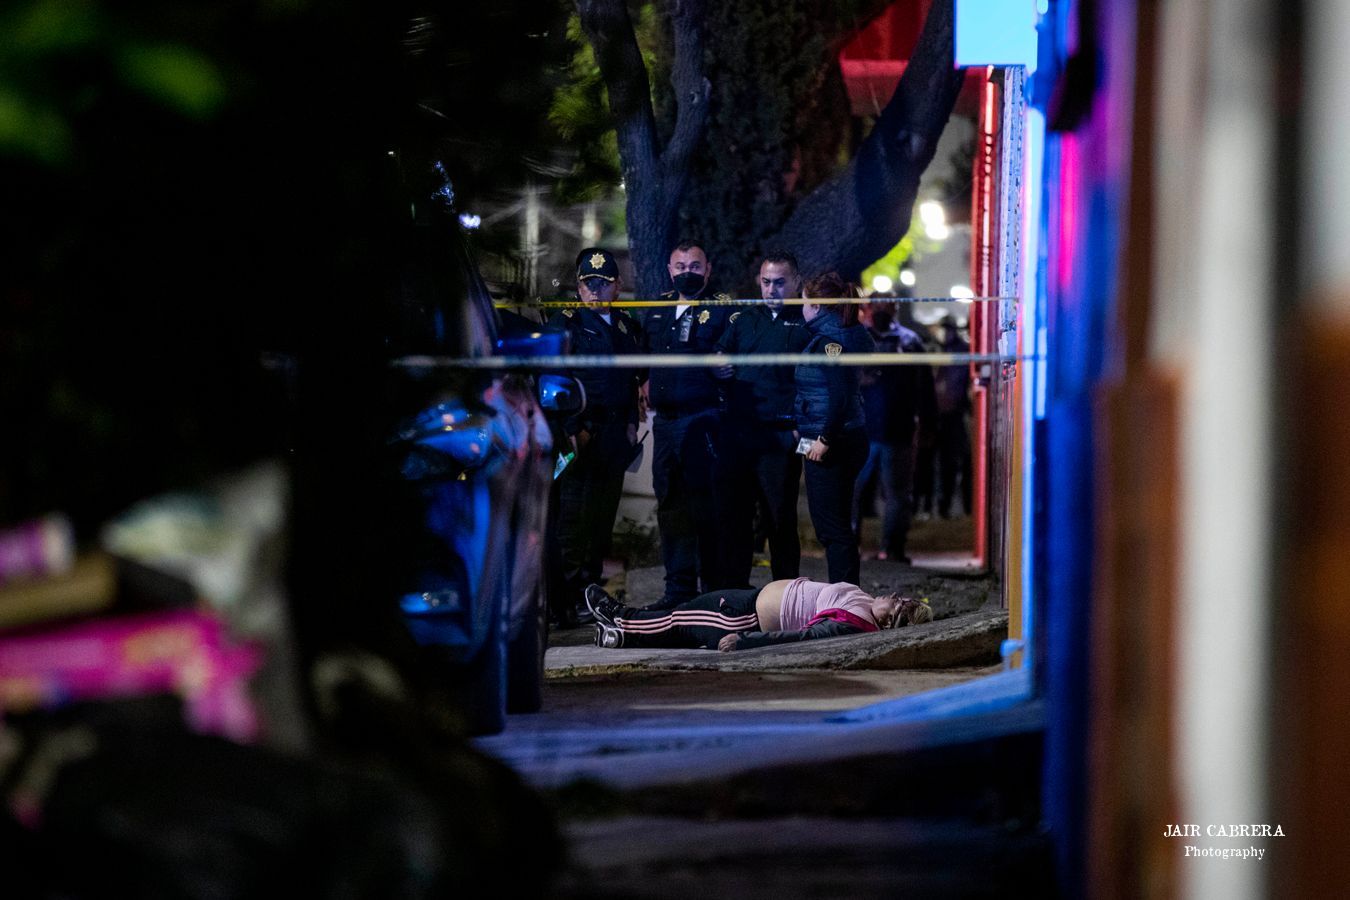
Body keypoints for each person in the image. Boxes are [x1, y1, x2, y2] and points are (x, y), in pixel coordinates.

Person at [545, 248, 644, 627]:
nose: (596, 290)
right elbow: (553, 379)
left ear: (617, 286)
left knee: (601, 523)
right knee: (571, 523)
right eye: (589, 284)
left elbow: (633, 376)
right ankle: (564, 603)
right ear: (579, 287)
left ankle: (588, 596)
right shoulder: (566, 322)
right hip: (580, 435)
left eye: (604, 283)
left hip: (615, 435)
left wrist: (632, 423)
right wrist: (572, 430)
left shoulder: (624, 325)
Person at [639, 240, 735, 608]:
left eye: (695, 266)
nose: (687, 273)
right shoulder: (659, 308)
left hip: (704, 420)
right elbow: (646, 354)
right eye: (680, 266)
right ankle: (677, 590)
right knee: (670, 506)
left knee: (706, 507)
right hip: (665, 424)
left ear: (708, 269)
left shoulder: (721, 308)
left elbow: (732, 358)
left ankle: (711, 590)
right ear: (669, 268)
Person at [715, 250, 813, 584]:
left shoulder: (805, 322)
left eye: (779, 282)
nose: (771, 289)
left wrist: (802, 427)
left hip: (780, 436)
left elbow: (816, 379)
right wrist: (717, 366)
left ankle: (786, 593)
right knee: (736, 517)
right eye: (766, 282)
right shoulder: (744, 319)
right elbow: (717, 354)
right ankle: (735, 593)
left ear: (797, 282)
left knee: (779, 519)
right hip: (740, 435)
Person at [794, 272, 875, 585]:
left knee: (832, 528)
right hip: (838, 436)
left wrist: (824, 439)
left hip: (831, 441)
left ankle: (844, 600)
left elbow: (839, 397)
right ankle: (844, 594)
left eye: (803, 302)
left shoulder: (830, 342)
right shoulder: (840, 333)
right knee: (837, 524)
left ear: (814, 305)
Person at [583, 578, 932, 650]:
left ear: (891, 622)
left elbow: (803, 637)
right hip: (749, 599)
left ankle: (620, 617)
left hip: (744, 618)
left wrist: (747, 641)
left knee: (678, 619)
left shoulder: (853, 625)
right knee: (682, 624)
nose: (896, 596)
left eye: (900, 603)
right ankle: (622, 636)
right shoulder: (864, 601)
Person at [852, 299, 938, 564]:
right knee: (854, 491)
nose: (879, 311)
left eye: (884, 306)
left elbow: (925, 388)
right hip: (863, 430)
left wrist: (927, 423)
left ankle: (892, 547)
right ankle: (849, 545)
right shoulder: (857, 339)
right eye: (874, 306)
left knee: (896, 493)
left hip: (895, 431)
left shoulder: (910, 342)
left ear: (894, 310)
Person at [933, 319, 973, 518]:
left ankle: (959, 505)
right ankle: (945, 505)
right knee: (947, 464)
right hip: (945, 415)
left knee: (956, 462)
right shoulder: (940, 350)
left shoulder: (956, 351)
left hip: (955, 415)